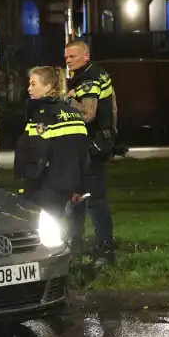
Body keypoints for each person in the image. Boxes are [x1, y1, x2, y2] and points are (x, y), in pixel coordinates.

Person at [14, 66, 89, 240]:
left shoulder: (43, 115)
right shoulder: (73, 113)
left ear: (47, 87)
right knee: (72, 230)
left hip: (47, 187)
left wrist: (28, 185)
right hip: (73, 184)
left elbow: (38, 152)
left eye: (33, 84)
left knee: (42, 233)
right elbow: (83, 152)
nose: (29, 88)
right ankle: (73, 260)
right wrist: (82, 185)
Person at [63, 40, 118, 266]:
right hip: (91, 145)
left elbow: (87, 114)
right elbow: (113, 106)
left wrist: (66, 100)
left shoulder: (89, 79)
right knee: (78, 198)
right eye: (66, 57)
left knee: (93, 201)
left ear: (86, 56)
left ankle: (105, 252)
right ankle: (76, 247)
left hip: (90, 147)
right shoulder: (97, 73)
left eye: (73, 56)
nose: (68, 61)